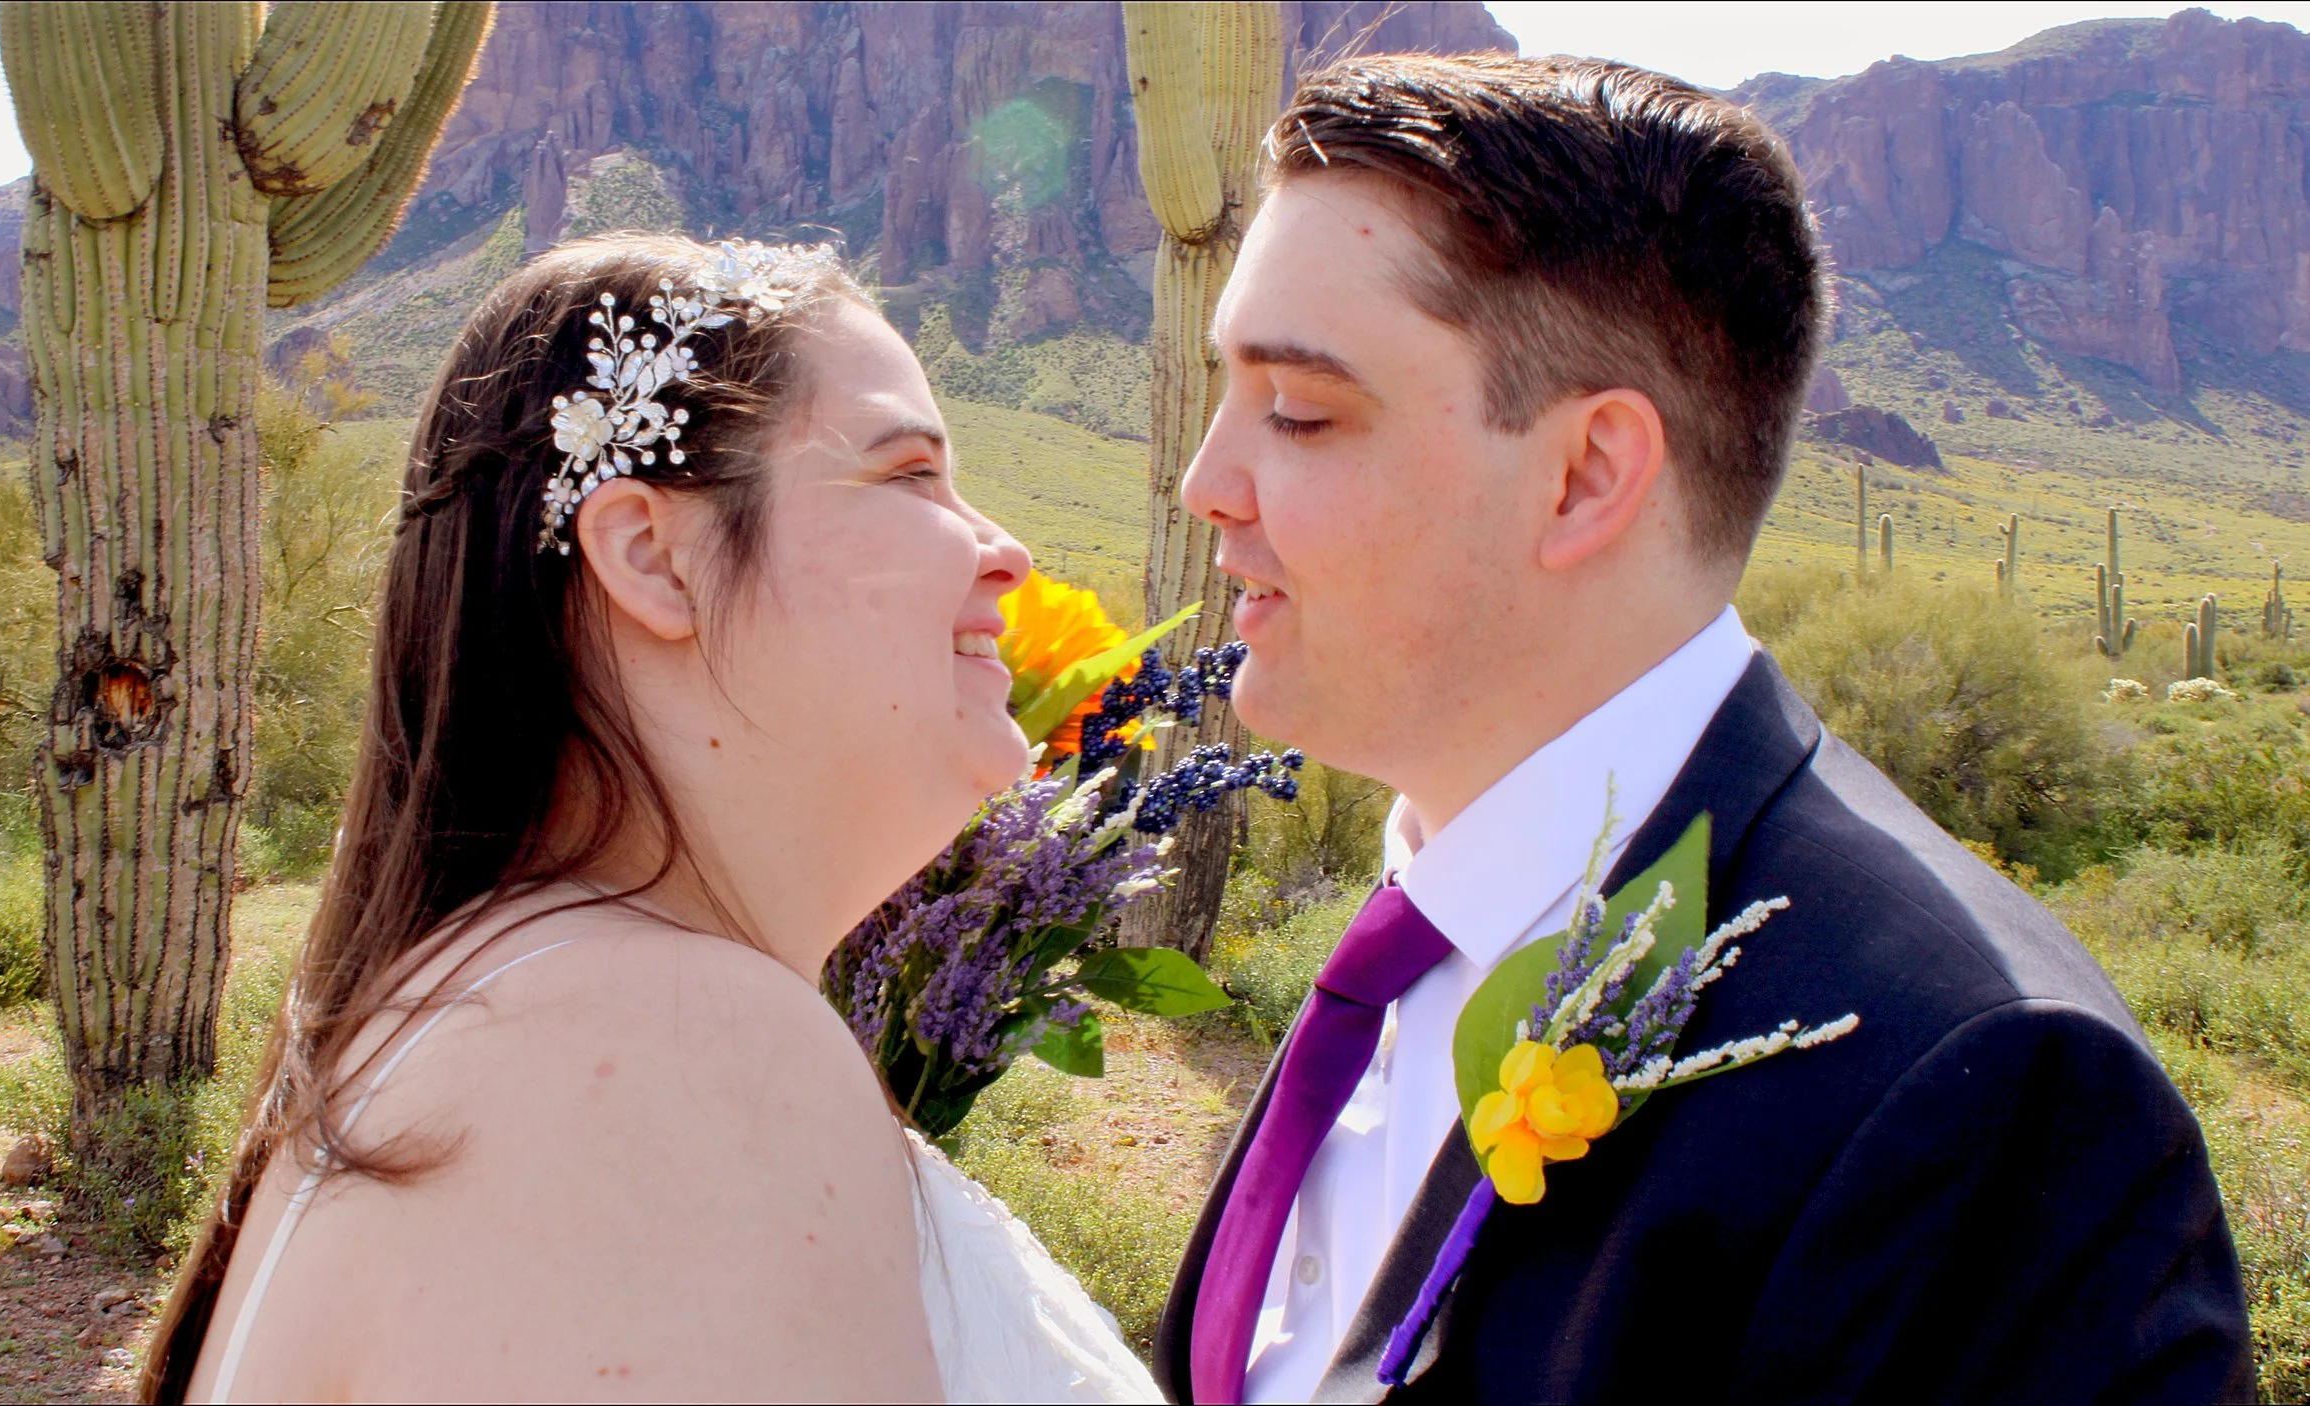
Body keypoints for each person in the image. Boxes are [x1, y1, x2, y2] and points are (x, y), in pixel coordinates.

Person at [1153, 54, 2254, 1404]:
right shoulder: (1422, 928)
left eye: (1304, 412)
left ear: (1586, 476)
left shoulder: (1984, 1096)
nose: (1206, 483)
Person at [141, 233, 1164, 1404]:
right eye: (909, 474)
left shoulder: (526, 1004)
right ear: (652, 556)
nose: (1006, 552)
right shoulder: (664, 1044)